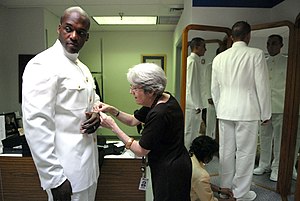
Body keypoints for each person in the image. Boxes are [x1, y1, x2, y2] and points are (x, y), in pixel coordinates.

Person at [22, 7, 101, 201]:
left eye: (81, 33)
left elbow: (94, 101)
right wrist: (54, 179)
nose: (74, 36)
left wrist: (97, 115)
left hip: (89, 169)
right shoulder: (43, 65)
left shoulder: (82, 68)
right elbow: (37, 124)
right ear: (59, 29)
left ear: (86, 37)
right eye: (69, 29)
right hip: (66, 174)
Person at [97, 63, 192, 201]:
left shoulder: (159, 113)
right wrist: (112, 110)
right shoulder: (161, 99)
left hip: (170, 170)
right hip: (174, 162)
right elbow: (132, 120)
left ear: (151, 90)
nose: (131, 92)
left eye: (135, 88)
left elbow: (140, 150)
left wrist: (113, 127)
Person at [211, 21, 271, 201]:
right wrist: (265, 112)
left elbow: (215, 88)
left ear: (231, 37)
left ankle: (225, 188)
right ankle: (241, 193)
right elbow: (262, 86)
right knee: (245, 153)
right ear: (248, 35)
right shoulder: (256, 54)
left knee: (226, 151)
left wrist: (220, 107)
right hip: (248, 110)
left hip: (225, 109)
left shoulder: (219, 58)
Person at [252, 34, 294, 181]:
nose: (270, 47)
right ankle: (264, 164)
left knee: (279, 139)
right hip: (265, 107)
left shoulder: (288, 62)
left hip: (281, 107)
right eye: (268, 44)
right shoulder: (263, 62)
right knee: (264, 137)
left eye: (274, 44)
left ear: (281, 45)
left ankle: (277, 167)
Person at [189, 135, 235, 201]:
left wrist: (220, 190)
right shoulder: (201, 175)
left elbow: (200, 184)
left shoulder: (189, 156)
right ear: (207, 156)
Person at [185, 37, 207, 149]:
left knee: (194, 132)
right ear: (196, 47)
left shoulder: (196, 61)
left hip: (195, 104)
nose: (205, 49)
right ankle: (187, 157)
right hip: (193, 105)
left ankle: (191, 156)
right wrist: (196, 105)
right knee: (190, 132)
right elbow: (191, 84)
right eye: (204, 46)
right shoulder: (192, 61)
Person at [205, 42, 227, 139]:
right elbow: (207, 82)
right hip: (212, 100)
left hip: (224, 100)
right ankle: (209, 143)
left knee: (223, 125)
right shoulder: (210, 65)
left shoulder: (228, 66)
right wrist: (209, 96)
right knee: (210, 125)